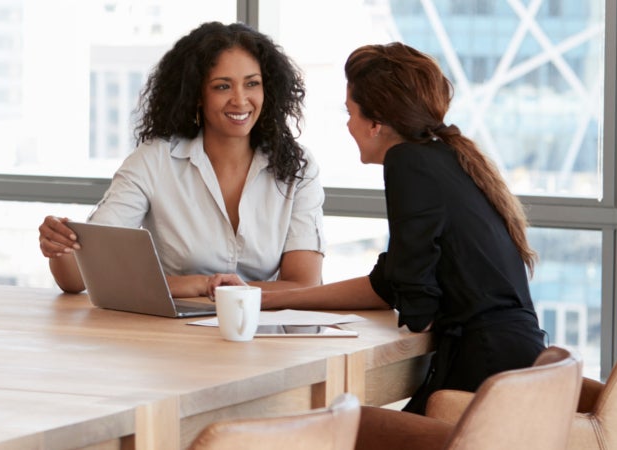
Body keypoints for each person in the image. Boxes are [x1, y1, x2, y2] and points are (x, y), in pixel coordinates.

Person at [212, 42, 547, 428]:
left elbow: (417, 305)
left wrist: (414, 299)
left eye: (350, 112)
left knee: (341, 427)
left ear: (376, 124)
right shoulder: (444, 157)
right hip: (512, 364)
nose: (348, 124)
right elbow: (388, 283)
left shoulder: (408, 162)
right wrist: (265, 298)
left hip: (483, 373)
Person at [37, 22, 325, 297]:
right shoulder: (154, 161)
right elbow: (78, 277)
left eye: (252, 84)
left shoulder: (297, 167)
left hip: (265, 334)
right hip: (170, 335)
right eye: (222, 86)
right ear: (197, 94)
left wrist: (216, 290)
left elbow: (304, 284)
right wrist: (59, 245)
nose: (240, 99)